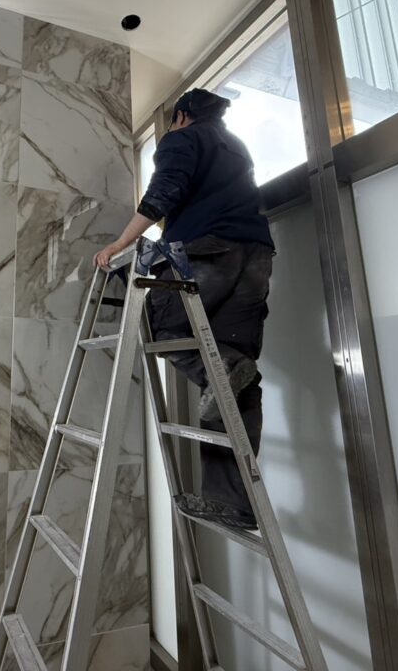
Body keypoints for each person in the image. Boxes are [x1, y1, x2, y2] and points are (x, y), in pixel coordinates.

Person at [93, 88, 274, 530]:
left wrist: (120, 243)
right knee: (237, 379)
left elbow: (163, 193)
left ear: (181, 116)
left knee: (157, 324)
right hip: (256, 258)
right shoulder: (236, 147)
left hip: (209, 251)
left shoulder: (184, 138)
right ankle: (235, 502)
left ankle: (224, 368)